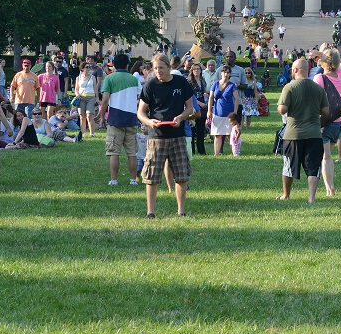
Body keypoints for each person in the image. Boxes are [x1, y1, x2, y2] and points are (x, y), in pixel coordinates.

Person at [136, 53, 196, 219]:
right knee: (151, 176)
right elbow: (140, 112)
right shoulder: (150, 85)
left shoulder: (181, 82)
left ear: (169, 67)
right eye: (155, 68)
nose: (158, 71)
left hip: (177, 135)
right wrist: (149, 122)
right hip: (156, 136)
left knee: (181, 175)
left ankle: (181, 211)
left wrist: (181, 117)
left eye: (161, 68)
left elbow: (190, 107)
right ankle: (150, 212)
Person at [277, 58, 327, 204]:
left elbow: (282, 109)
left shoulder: (289, 87)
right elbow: (325, 111)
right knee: (313, 167)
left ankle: (286, 195)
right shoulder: (318, 88)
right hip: (314, 133)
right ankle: (311, 198)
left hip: (293, 134)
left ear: (295, 70)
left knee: (288, 165)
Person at [101, 53, 141, 186]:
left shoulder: (109, 78)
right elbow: (138, 98)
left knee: (114, 152)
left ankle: (114, 180)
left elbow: (105, 99)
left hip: (115, 119)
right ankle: (133, 179)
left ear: (113, 65)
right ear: (127, 64)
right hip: (131, 119)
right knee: (132, 152)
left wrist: (101, 116)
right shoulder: (134, 79)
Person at [312, 47, 341, 197]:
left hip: (324, 121)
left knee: (326, 157)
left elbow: (315, 100)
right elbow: (334, 62)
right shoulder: (340, 74)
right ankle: (329, 183)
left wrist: (320, 55)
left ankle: (329, 187)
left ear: (323, 62)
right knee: (326, 156)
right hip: (338, 121)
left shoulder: (319, 78)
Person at [208, 66, 240, 156]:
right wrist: (209, 111)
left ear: (230, 74)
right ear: (221, 73)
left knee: (231, 134)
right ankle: (216, 154)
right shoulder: (215, 84)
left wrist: (235, 112)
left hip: (229, 114)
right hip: (217, 112)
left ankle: (235, 152)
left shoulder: (232, 85)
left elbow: (236, 99)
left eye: (228, 72)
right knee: (217, 135)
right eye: (224, 72)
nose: (226, 74)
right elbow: (211, 97)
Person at [74, 62, 100, 137]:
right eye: (86, 67)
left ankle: (92, 133)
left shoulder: (92, 77)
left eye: (89, 67)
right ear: (82, 69)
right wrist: (77, 94)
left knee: (89, 115)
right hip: (81, 97)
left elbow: (95, 87)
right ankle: (83, 133)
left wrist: (97, 97)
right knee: (82, 116)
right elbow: (76, 89)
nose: (88, 69)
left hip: (91, 97)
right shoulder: (78, 78)